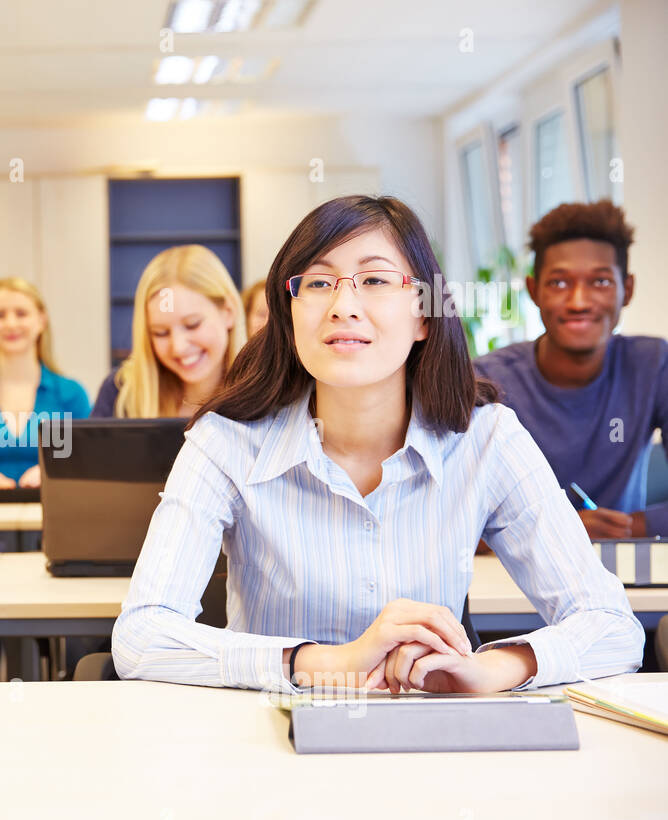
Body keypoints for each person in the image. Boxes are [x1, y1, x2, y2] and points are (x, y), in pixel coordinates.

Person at [114, 195, 642, 695]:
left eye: (374, 279)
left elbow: (612, 627)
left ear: (424, 316)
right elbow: (141, 637)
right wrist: (327, 662)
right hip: (273, 747)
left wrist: (493, 668)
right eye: (318, 283)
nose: (343, 305)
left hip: (433, 747)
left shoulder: (487, 438)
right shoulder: (226, 443)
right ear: (289, 313)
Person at [475, 200, 667, 540]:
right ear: (534, 290)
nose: (579, 301)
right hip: (507, 578)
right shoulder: (486, 380)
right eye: (560, 283)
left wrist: (627, 527)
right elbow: (445, 516)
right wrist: (556, 528)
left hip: (620, 568)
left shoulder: (652, 365)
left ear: (629, 289)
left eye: (601, 282)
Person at [0, 278, 90, 488]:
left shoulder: (71, 395)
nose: (11, 324)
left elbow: (87, 469)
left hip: (55, 516)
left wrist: (55, 477)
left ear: (41, 320)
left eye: (21, 314)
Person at [91, 245, 245, 418]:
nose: (178, 347)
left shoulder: (265, 395)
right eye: (160, 333)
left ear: (228, 312)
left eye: (192, 325)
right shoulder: (121, 393)